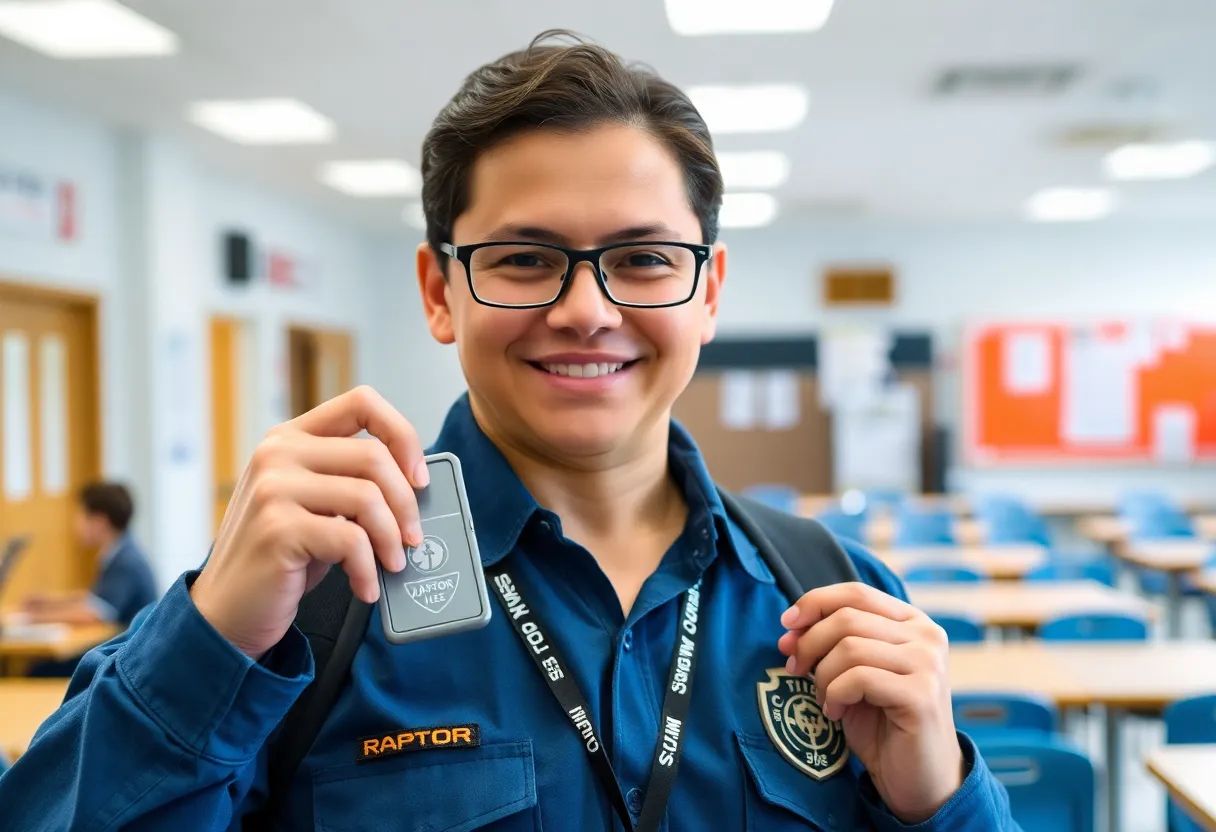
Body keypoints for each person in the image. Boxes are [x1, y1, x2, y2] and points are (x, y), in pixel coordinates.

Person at [0, 31, 1019, 830]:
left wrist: (939, 801)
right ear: (438, 290)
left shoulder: (830, 596)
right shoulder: (306, 601)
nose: (586, 311)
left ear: (709, 292)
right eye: (525, 260)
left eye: (644, 259)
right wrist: (210, 640)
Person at [19, 481, 159, 677]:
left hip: (126, 658)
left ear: (100, 521)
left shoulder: (125, 561)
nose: (77, 523)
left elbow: (93, 614)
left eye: (82, 516)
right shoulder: (120, 551)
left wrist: (33, 619)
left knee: (39, 671)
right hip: (124, 650)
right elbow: (94, 599)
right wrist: (49, 602)